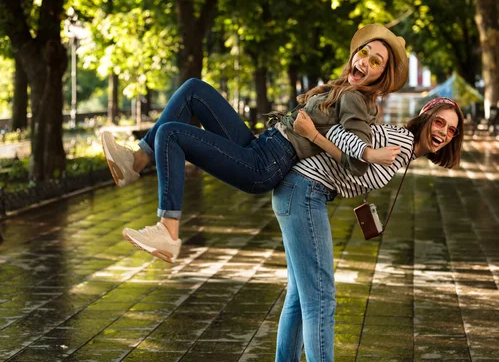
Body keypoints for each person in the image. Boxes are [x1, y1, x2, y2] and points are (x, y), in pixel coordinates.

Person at [100, 24, 409, 263]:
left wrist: (314, 135)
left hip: (267, 163)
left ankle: (168, 230)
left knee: (171, 132)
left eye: (376, 61)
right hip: (263, 145)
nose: (365, 61)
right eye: (364, 53)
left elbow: (357, 162)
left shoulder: (356, 99)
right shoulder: (342, 88)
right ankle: (137, 161)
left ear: (381, 75)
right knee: (193, 90)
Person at [272, 97, 464, 362]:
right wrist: (317, 136)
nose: (443, 132)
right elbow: (342, 132)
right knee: (321, 300)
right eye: (439, 122)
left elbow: (353, 154)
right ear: (425, 119)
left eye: (451, 130)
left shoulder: (404, 151)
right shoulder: (397, 141)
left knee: (299, 295)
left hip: (300, 190)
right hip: (304, 190)